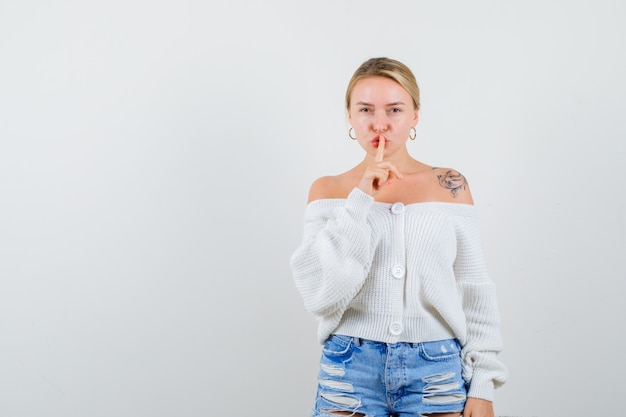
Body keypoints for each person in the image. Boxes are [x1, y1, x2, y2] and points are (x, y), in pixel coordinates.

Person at [290, 57, 508, 417]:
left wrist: (483, 384)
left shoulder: (450, 186)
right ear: (349, 117)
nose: (380, 124)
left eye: (394, 109)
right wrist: (361, 197)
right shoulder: (327, 190)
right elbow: (321, 295)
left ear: (415, 116)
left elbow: (475, 288)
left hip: (436, 370)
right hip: (349, 370)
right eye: (365, 110)